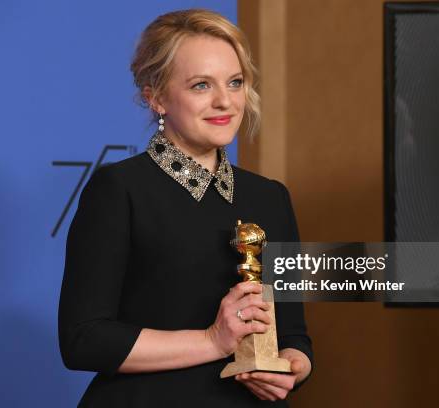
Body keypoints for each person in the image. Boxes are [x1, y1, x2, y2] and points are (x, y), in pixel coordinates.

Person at [58, 9, 313, 407]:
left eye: (235, 82)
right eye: (200, 85)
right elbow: (83, 340)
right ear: (156, 96)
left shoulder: (270, 197)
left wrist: (292, 368)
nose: (224, 101)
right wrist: (213, 341)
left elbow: (294, 334)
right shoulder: (119, 190)